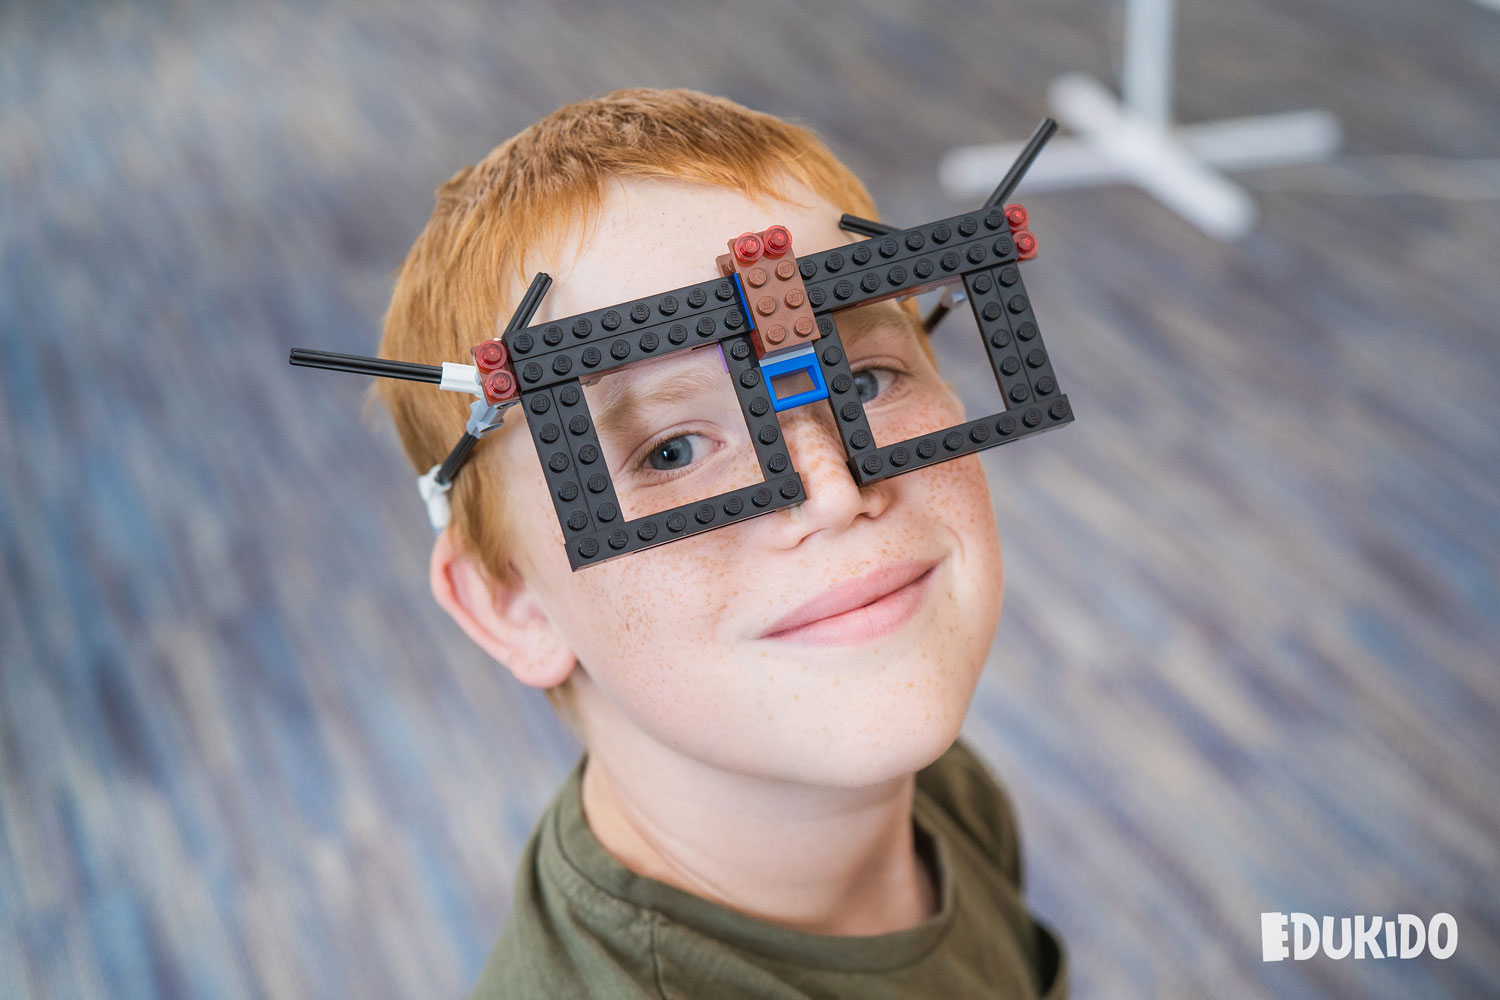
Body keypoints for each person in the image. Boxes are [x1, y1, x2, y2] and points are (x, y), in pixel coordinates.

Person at [375, 86, 1069, 998]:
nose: (833, 490)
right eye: (671, 451)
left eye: (864, 383)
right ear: (514, 604)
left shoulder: (944, 793)